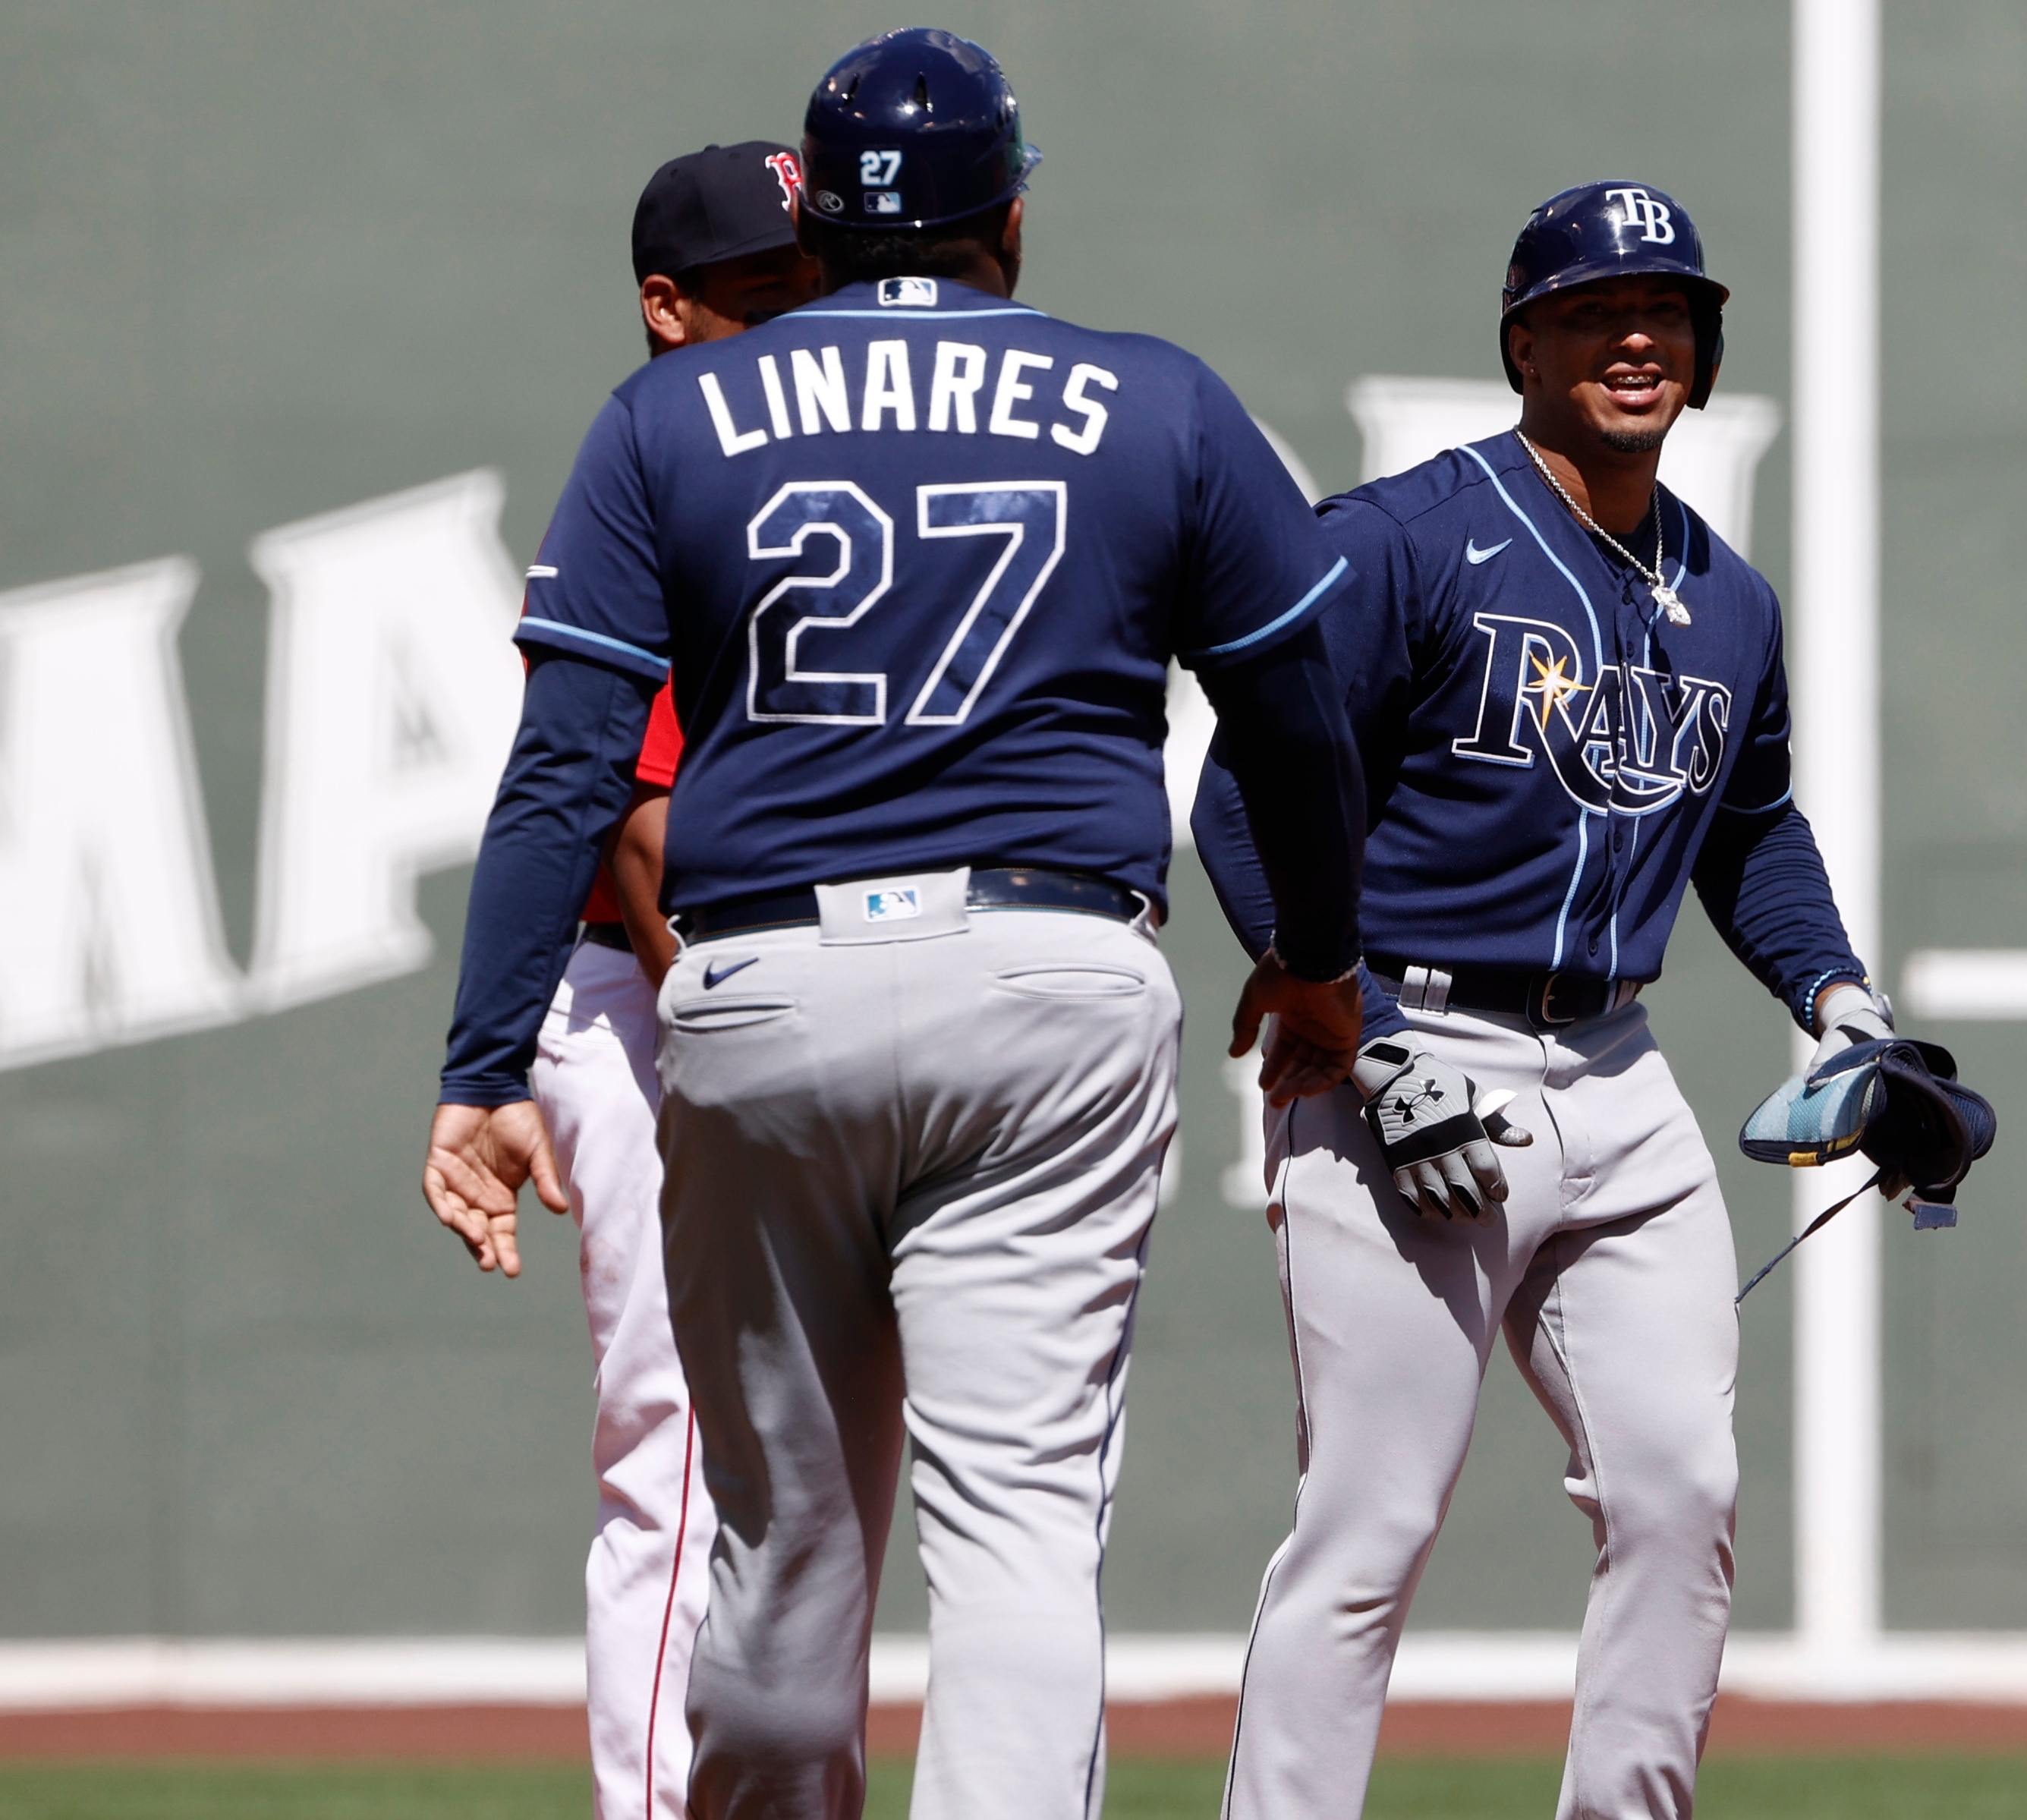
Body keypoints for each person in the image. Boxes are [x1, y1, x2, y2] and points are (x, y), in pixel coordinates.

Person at [419, 30, 1368, 1819]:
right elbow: (1295, 715)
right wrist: (1316, 953)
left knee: (779, 1532)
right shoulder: (1152, 395)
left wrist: (483, 1062)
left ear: (826, 225)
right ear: (1008, 212)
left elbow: (564, 768)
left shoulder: (666, 414)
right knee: (1013, 1522)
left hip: (764, 979)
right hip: (1047, 975)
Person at [1194, 180, 1889, 1820]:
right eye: (1592, 311)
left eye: (1667, 314)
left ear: (1705, 355)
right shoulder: (1405, 536)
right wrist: (1350, 1020)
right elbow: (1246, 790)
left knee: (1681, 1487)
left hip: (1617, 1068)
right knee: (1367, 1522)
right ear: (1521, 345)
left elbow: (1752, 827)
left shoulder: (1726, 597)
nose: (1636, 338)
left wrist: (1839, 998)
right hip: (1408, 1042)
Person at [527, 140, 817, 1820]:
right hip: (654, 993)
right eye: (767, 295)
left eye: (819, 284)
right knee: (683, 1446)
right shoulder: (658, 469)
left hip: (765, 982)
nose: (805, 326)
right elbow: (641, 842)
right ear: (666, 306)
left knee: (799, 1468)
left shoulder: (785, 467)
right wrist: (733, 1030)